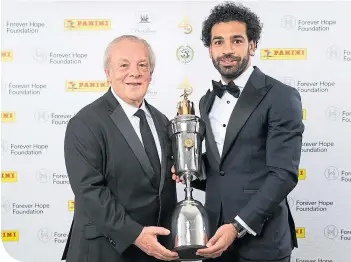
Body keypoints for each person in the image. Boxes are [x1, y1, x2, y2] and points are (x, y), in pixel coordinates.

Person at [172, 3, 304, 262]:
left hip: (262, 242)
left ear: (252, 45)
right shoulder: (206, 101)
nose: (227, 50)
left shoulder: (281, 96)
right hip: (212, 240)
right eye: (218, 42)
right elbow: (222, 170)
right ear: (210, 49)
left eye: (237, 40)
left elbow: (283, 175)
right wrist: (188, 171)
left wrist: (238, 226)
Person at [62, 35, 179, 262]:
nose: (134, 72)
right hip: (106, 251)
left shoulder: (162, 120)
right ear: (108, 73)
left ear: (150, 74)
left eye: (142, 65)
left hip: (156, 251)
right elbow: (89, 191)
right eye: (124, 65)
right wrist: (135, 234)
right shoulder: (85, 122)